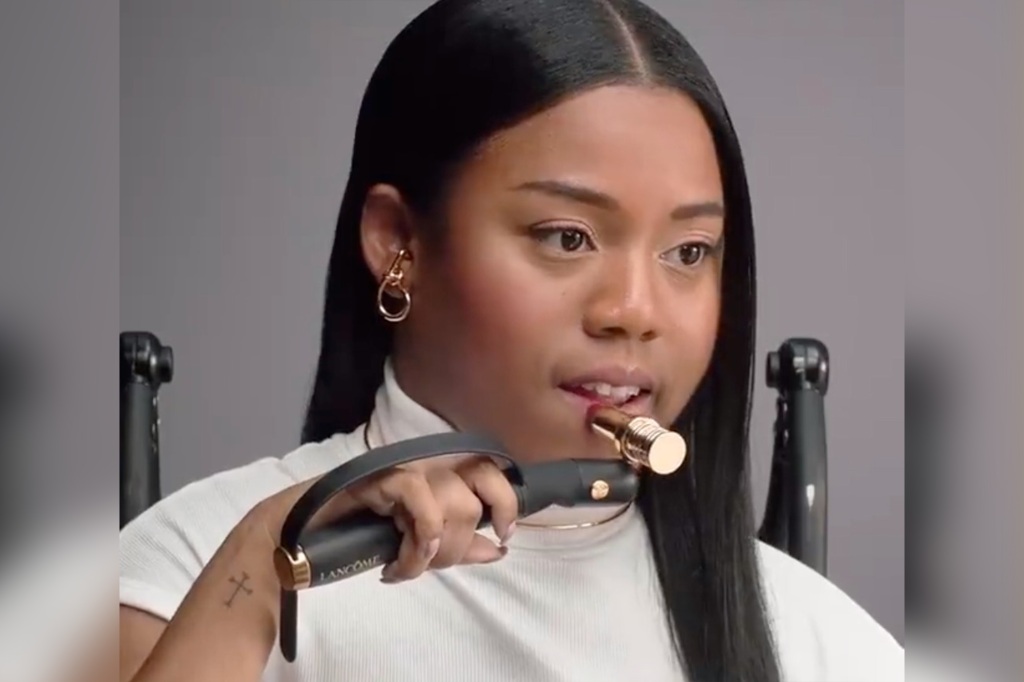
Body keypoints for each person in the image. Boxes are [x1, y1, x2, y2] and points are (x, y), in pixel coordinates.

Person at [117, 1, 904, 681]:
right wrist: (262, 564)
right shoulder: (186, 564)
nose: (635, 311)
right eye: (567, 238)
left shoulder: (828, 646)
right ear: (398, 242)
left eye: (688, 252)